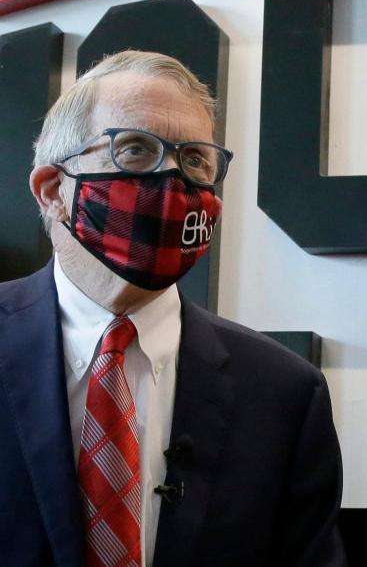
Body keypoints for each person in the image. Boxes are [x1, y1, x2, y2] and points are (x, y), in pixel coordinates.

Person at [0, 51, 347, 567]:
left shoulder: (285, 394)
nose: (172, 181)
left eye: (195, 161)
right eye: (135, 149)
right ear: (54, 191)